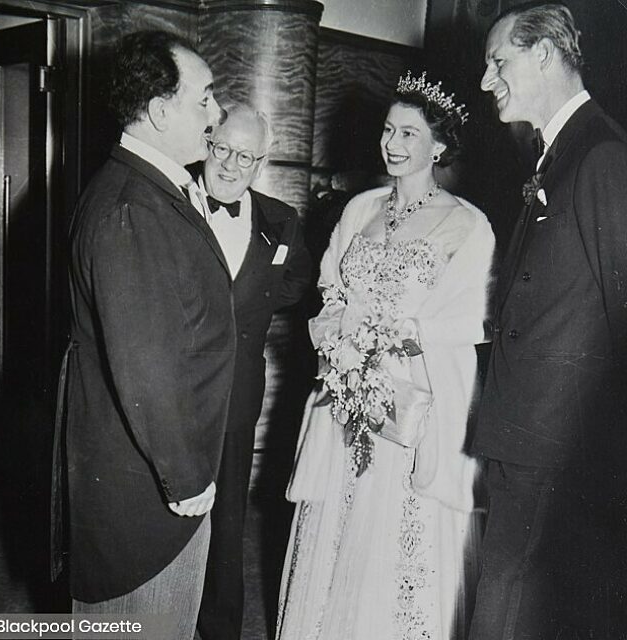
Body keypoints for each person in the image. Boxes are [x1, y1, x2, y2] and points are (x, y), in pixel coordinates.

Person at [275, 71, 495, 640]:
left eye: (409, 134)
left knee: (393, 540)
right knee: (335, 534)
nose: (392, 144)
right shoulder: (360, 209)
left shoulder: (468, 225)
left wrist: (394, 339)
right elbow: (332, 292)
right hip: (347, 400)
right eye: (388, 130)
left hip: (411, 407)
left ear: (439, 145)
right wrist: (336, 339)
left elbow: (469, 321)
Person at [51, 30, 235, 640]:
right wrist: (184, 480)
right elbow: (147, 366)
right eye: (205, 99)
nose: (216, 114)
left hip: (150, 470)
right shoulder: (133, 207)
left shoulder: (148, 188)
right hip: (147, 493)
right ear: (160, 112)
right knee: (143, 626)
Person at [470, 3, 627, 638]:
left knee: (507, 598)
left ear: (544, 55)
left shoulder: (601, 157)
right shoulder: (554, 154)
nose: (486, 82)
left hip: (559, 444)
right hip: (530, 432)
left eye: (497, 63)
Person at [196, 104, 311, 640]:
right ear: (207, 142)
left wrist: (250, 312)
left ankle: (220, 628)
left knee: (228, 519)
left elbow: (292, 285)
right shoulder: (173, 203)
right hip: (171, 387)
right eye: (222, 148)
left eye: (245, 156)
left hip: (239, 389)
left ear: (261, 162)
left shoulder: (281, 218)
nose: (229, 165)